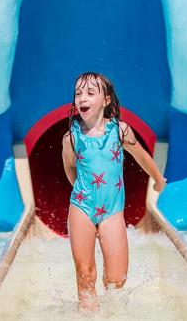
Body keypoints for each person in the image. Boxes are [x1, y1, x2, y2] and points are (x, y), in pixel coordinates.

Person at [62, 71, 167, 311]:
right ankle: (88, 315)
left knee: (116, 279)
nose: (82, 98)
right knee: (85, 275)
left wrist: (158, 179)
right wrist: (83, 192)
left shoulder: (120, 131)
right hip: (81, 208)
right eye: (78, 93)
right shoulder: (71, 138)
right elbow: (70, 168)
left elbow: (141, 155)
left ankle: (112, 314)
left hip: (112, 210)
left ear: (106, 100)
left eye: (90, 92)